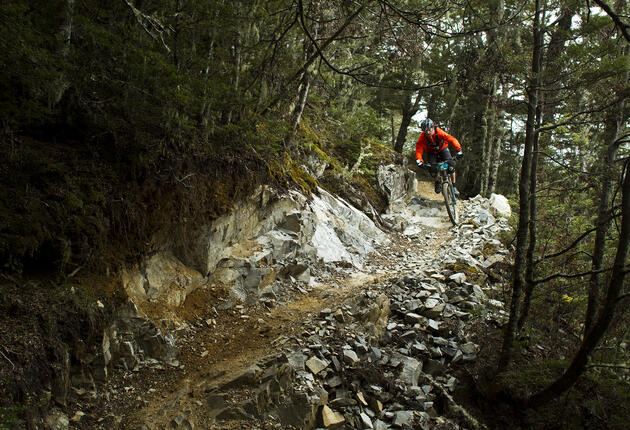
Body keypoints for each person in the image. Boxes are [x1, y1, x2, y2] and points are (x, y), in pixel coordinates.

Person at [415, 118, 463, 196]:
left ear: (432, 127)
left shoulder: (439, 132)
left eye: (429, 130)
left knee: (451, 166)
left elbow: (451, 139)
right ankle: (437, 182)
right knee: (433, 169)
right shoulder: (423, 137)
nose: (427, 132)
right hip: (431, 152)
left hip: (442, 148)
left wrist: (459, 150)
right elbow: (419, 149)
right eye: (425, 131)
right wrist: (419, 160)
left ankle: (454, 186)